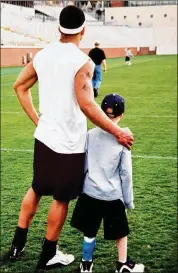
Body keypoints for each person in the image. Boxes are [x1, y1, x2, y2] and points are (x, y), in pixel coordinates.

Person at [5, 6, 133, 273]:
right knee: (60, 199)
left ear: (59, 29)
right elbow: (87, 105)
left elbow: (19, 86)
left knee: (37, 188)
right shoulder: (82, 61)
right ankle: (48, 255)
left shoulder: (43, 55)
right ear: (83, 31)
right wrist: (117, 130)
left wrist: (38, 121)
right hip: (68, 144)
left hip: (44, 138)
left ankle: (17, 245)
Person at [71, 94, 144, 273]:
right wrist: (128, 201)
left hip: (90, 193)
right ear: (121, 116)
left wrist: (80, 188)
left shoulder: (89, 135)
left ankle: (86, 264)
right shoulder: (124, 138)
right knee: (121, 232)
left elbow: (83, 165)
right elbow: (126, 174)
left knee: (89, 230)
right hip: (112, 196)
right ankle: (123, 264)